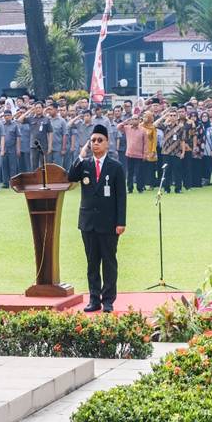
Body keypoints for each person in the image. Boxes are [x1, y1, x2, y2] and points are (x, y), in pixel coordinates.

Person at [67, 124, 127, 313]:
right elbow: (71, 176)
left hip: (109, 224)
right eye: (92, 140)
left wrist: (121, 222)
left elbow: (121, 197)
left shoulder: (115, 167)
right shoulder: (85, 165)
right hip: (88, 223)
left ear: (107, 143)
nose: (96, 144)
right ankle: (94, 299)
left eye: (99, 140)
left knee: (109, 262)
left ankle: (108, 300)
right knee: (92, 263)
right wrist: (81, 154)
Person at [0, 109, 19, 188]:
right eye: (5, 116)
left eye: (8, 115)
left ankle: (13, 183)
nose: (6, 117)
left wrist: (18, 149)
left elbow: (18, 137)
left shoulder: (15, 125)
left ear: (11, 116)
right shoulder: (1, 125)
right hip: (3, 148)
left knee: (12, 167)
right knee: (4, 166)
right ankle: (5, 183)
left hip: (12, 148)